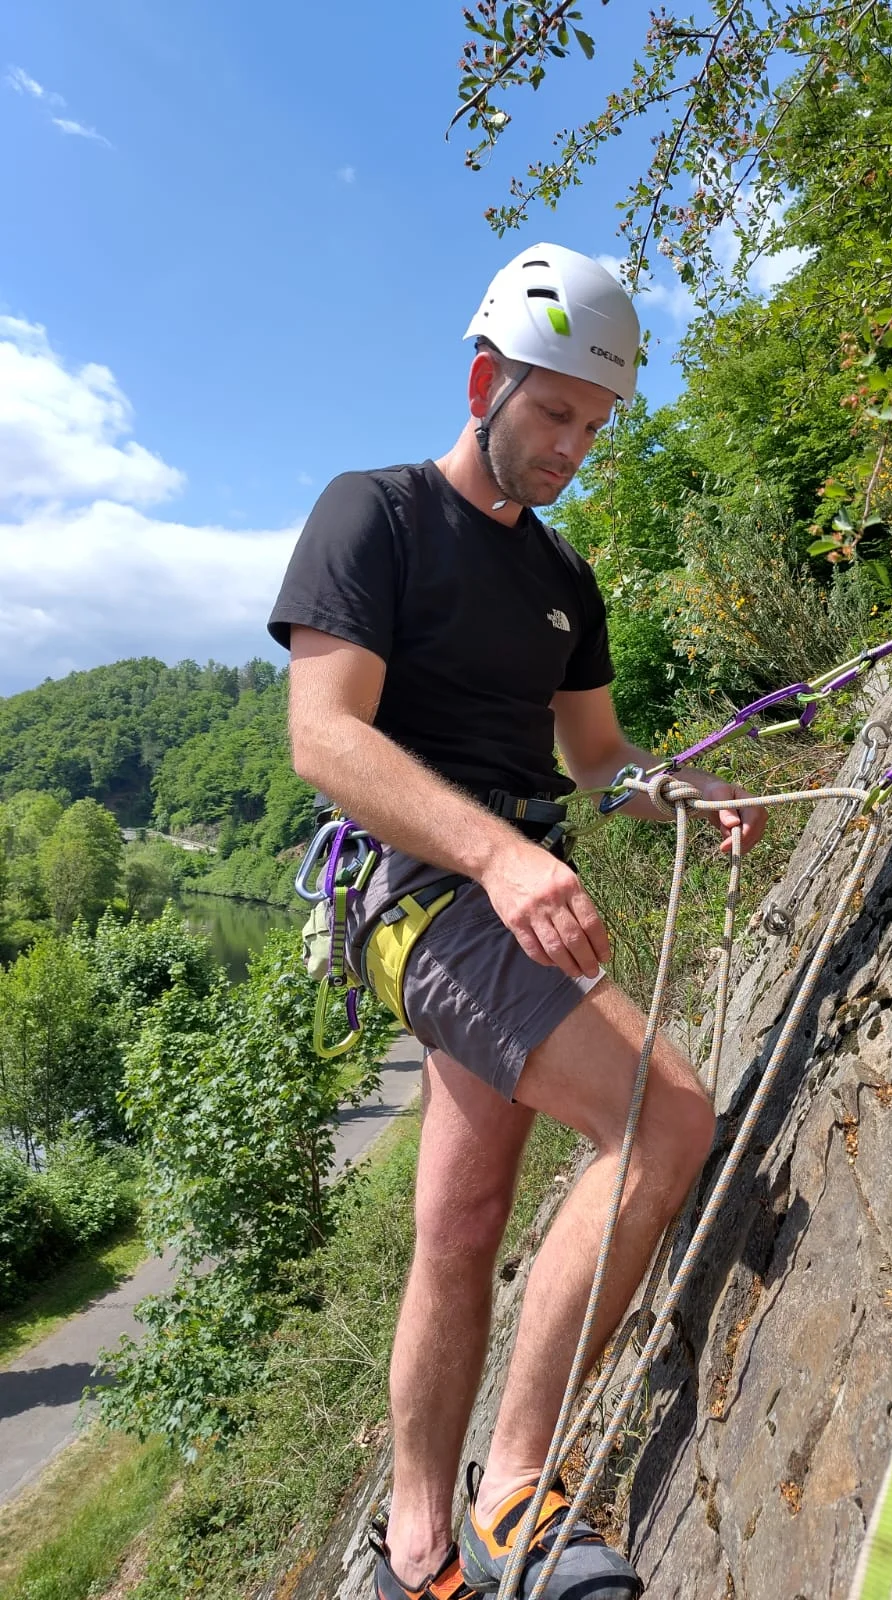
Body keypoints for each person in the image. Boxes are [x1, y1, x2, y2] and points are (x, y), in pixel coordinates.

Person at [268, 243, 767, 1600]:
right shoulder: (371, 516)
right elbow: (325, 737)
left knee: (462, 1217)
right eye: (553, 413)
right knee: (664, 1117)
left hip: (508, 894)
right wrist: (495, 855)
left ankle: (416, 1548)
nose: (573, 448)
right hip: (415, 896)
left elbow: (596, 758)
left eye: (595, 428)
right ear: (485, 378)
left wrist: (683, 791)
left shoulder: (565, 582)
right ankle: (514, 1494)